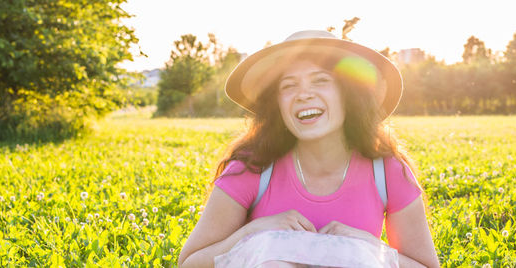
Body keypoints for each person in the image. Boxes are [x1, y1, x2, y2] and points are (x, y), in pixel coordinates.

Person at [178, 30, 440, 268]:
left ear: (347, 94)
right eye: (289, 86)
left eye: (320, 81)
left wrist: (371, 248)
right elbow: (190, 262)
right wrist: (252, 233)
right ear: (277, 105)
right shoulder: (252, 168)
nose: (303, 94)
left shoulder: (388, 171)